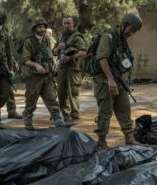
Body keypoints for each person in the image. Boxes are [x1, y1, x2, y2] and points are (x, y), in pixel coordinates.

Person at [93, 13, 142, 148]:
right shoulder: (108, 36)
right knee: (105, 111)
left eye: (133, 31)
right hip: (104, 81)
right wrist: (110, 80)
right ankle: (101, 141)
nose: (130, 33)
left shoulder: (122, 41)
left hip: (118, 80)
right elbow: (102, 58)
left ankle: (129, 138)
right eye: (130, 29)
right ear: (124, 24)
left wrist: (121, 80)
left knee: (124, 108)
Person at [21, 17, 68, 130]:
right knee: (31, 100)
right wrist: (36, 65)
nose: (42, 29)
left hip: (47, 75)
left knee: (52, 98)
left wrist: (57, 49)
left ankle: (58, 120)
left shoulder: (47, 39)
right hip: (34, 77)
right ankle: (28, 122)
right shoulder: (29, 41)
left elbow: (50, 53)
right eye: (39, 27)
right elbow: (25, 59)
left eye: (43, 27)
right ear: (35, 28)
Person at [53, 16, 87, 125]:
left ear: (73, 24)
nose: (67, 25)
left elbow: (83, 52)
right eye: (65, 23)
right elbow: (53, 52)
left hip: (72, 68)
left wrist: (71, 58)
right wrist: (58, 48)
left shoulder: (77, 37)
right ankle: (66, 116)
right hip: (62, 68)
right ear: (63, 24)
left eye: (69, 23)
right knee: (61, 93)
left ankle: (75, 116)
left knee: (73, 92)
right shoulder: (60, 36)